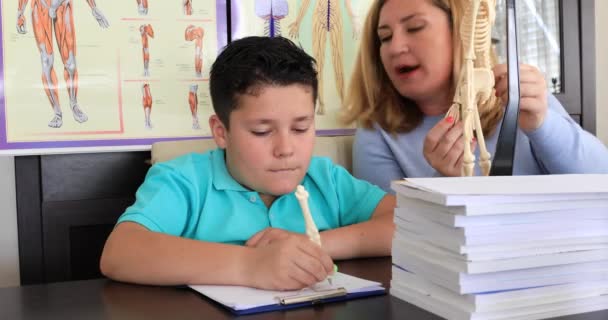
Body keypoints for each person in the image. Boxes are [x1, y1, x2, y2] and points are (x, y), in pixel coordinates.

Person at [100, 36, 395, 290]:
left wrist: (312, 247)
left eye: (301, 128)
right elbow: (119, 253)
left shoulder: (325, 179)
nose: (286, 149)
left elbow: (407, 224)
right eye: (262, 131)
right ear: (221, 132)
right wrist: (252, 265)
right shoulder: (184, 180)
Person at [342, 0, 608, 192]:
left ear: (462, 32)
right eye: (384, 37)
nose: (395, 47)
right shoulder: (377, 133)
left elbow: (601, 177)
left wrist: (543, 124)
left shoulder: (519, 100)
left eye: (414, 28)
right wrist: (443, 180)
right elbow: (390, 229)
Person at [16, 0, 109, 128]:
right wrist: (20, 12)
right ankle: (57, 112)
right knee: (46, 62)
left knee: (70, 63)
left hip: (62, 4)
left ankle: (74, 104)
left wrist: (93, 7)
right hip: (40, 6)